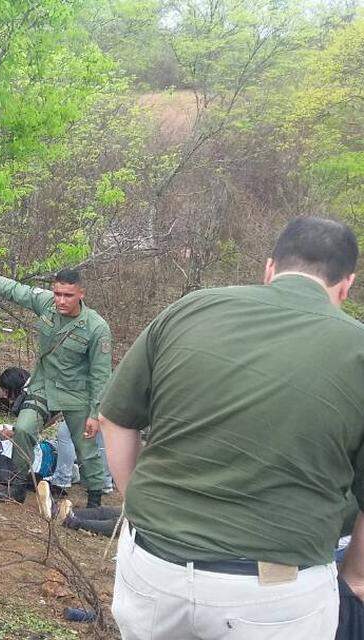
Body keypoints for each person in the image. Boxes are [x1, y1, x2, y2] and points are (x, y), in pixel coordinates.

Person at [100, 217, 364, 639]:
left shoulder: (191, 308)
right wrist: (355, 578)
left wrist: (139, 503)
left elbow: (115, 418)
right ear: (346, 286)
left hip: (154, 573)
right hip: (276, 593)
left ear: (269, 269)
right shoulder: (357, 348)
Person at [0, 262, 112, 508]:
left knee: (86, 448)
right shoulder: (46, 304)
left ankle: (94, 501)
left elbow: (101, 375)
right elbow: (12, 289)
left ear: (81, 294)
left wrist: (96, 413)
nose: (61, 301)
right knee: (23, 428)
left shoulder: (96, 328)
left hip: (77, 393)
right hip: (44, 386)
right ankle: (18, 486)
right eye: (58, 294)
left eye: (68, 296)